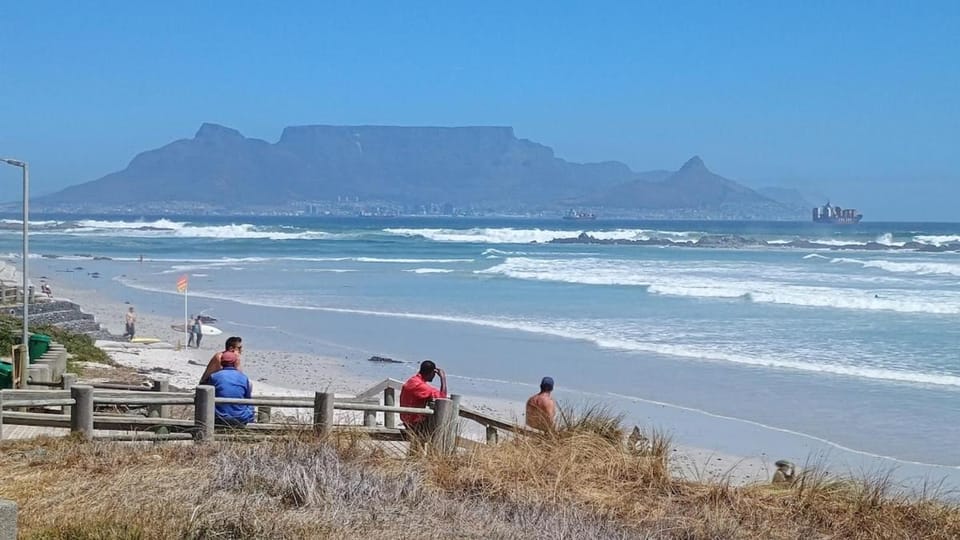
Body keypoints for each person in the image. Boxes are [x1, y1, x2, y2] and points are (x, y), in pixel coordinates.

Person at [399, 360, 448, 441]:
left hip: (406, 420)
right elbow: (442, 398)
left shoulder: (412, 380)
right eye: (434, 374)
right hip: (414, 424)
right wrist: (443, 378)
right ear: (431, 373)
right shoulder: (421, 387)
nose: (434, 376)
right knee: (441, 424)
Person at [209, 352, 254, 426]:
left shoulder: (214, 377)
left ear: (221, 362)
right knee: (250, 407)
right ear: (235, 362)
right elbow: (248, 398)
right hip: (241, 418)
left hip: (220, 417)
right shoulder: (244, 378)